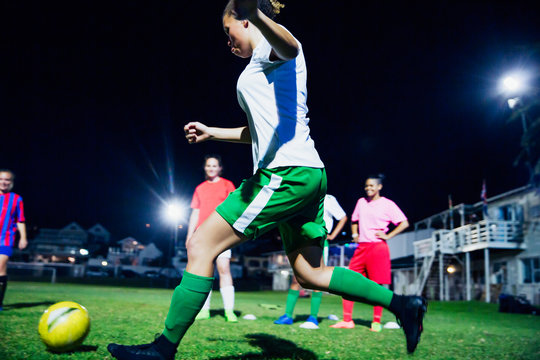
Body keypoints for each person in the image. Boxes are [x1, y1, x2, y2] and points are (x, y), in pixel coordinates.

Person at [107, 2, 426, 359]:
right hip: (307, 174)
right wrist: (213, 132)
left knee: (200, 245)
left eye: (229, 33)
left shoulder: (271, 53)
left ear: (247, 21)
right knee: (310, 274)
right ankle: (404, 304)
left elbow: (291, 46)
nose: (228, 44)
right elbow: (259, 133)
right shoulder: (265, 66)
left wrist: (259, 16)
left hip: (285, 175)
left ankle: (163, 349)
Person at [331, 174, 409, 332]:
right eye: (366, 186)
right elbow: (354, 220)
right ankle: (347, 320)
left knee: (377, 286)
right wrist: (354, 235)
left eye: (372, 186)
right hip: (361, 248)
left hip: (378, 248)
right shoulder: (361, 202)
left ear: (379, 187)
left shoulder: (388, 204)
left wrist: (388, 236)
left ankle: (376, 321)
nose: (368, 189)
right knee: (348, 282)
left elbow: (404, 223)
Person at [274, 194, 347, 329]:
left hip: (319, 243)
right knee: (296, 279)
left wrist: (332, 235)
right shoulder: (302, 195)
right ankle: (288, 316)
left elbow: (343, 217)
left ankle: (313, 317)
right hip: (301, 242)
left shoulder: (329, 199)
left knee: (316, 280)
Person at [187, 155, 238, 322]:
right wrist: (189, 236)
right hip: (203, 235)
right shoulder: (200, 188)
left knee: (224, 269)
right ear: (205, 168)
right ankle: (204, 310)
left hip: (222, 234)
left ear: (220, 168)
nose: (211, 168)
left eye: (214, 165)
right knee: (205, 271)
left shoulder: (227, 185)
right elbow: (195, 212)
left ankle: (229, 311)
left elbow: (234, 208)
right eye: (208, 165)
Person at [0, 169, 27, 311]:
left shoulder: (16, 199)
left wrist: (23, 237)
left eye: (7, 180)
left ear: (11, 183)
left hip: (5, 238)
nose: (4, 182)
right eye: (1, 179)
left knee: (0, 268)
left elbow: (20, 220)